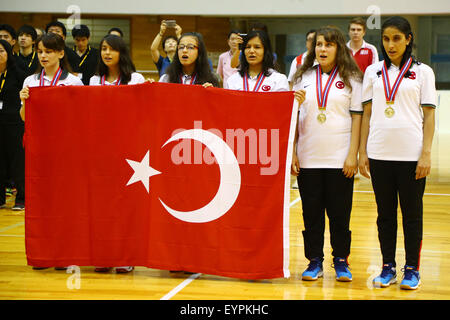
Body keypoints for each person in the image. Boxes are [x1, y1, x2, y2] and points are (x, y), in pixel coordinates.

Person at [358, 16, 436, 290]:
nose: (390, 44)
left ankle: (412, 269)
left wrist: (426, 153)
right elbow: (367, 114)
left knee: (412, 215)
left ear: (408, 39)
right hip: (379, 155)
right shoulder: (373, 72)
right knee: (385, 215)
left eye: (396, 38)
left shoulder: (423, 72)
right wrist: (362, 151)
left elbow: (429, 116)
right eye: (386, 39)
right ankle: (388, 266)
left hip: (411, 157)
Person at [291, 26, 363, 282]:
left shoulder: (353, 79)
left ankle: (341, 260)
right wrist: (293, 152)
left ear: (339, 48)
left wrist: (352, 155)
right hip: (308, 157)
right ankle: (314, 261)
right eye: (319, 44)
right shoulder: (302, 78)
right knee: (311, 214)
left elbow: (357, 120)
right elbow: (293, 119)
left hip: (339, 158)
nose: (323, 49)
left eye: (329, 45)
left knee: (340, 214)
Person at [90, 34, 144, 274]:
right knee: (102, 204)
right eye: (103, 49)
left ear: (122, 52)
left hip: (129, 148)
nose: (107, 53)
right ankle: (104, 254)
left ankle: (125, 255)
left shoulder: (135, 79)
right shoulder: (93, 80)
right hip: (100, 150)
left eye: (112, 49)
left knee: (125, 205)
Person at [0, 40, 27, 211]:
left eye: (1, 50)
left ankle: (21, 199)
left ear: (9, 53)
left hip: (15, 124)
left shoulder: (18, 73)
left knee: (17, 161)